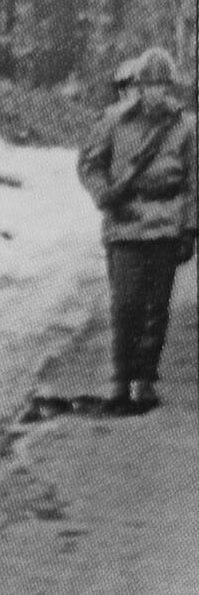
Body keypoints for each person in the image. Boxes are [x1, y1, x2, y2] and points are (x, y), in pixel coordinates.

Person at [77, 46, 197, 414]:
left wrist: (190, 229)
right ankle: (119, 379)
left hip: (165, 224)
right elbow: (90, 164)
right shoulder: (114, 120)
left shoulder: (186, 127)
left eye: (162, 84)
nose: (155, 91)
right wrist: (107, 199)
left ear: (170, 87)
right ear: (137, 85)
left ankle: (145, 379)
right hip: (125, 225)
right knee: (125, 305)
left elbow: (194, 182)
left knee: (156, 307)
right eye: (148, 84)